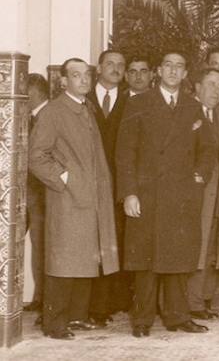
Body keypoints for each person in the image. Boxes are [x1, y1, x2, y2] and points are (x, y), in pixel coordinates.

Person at [117, 50, 217, 338]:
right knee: (146, 261)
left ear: (186, 74)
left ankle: (177, 317)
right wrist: (129, 193)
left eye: (179, 67)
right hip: (148, 195)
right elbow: (125, 153)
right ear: (158, 71)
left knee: (178, 258)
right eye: (168, 66)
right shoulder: (139, 102)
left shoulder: (192, 106)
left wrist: (200, 174)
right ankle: (142, 320)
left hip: (182, 194)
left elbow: (207, 148)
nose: (173, 71)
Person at [29, 58, 119, 340]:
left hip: (92, 199)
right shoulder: (54, 111)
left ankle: (77, 316)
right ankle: (54, 322)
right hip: (68, 199)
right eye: (76, 75)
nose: (83, 80)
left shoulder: (86, 108)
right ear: (63, 81)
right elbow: (36, 157)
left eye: (86, 75)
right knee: (63, 259)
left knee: (86, 258)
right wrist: (65, 179)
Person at [85, 50, 132, 325]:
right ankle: (92, 307)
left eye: (120, 65)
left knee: (115, 245)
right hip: (87, 187)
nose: (115, 68)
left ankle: (112, 303)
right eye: (110, 64)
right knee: (91, 245)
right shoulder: (83, 99)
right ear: (99, 68)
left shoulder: (131, 102)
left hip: (118, 188)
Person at [187, 67, 219, 321]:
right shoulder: (188, 115)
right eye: (210, 84)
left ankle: (202, 299)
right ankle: (192, 302)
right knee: (196, 247)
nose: (215, 90)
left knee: (211, 248)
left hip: (216, 196)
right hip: (196, 195)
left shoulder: (218, 117)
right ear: (197, 88)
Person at [25, 73, 50, 317]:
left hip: (42, 195)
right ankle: (38, 297)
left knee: (42, 247)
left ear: (34, 92)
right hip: (27, 195)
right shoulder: (31, 117)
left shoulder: (47, 116)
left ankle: (43, 299)